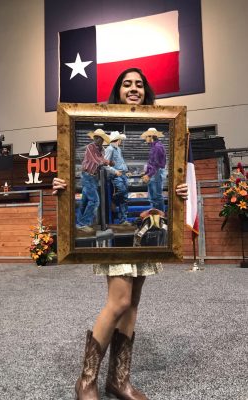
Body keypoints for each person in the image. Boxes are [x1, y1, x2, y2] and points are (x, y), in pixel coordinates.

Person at [53, 67, 188, 400]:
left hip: (135, 220)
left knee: (133, 304)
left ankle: (119, 379)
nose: (134, 88)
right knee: (119, 300)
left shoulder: (164, 131)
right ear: (118, 90)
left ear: (146, 91)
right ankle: (86, 380)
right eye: (127, 84)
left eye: (139, 84)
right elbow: (84, 168)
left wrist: (181, 190)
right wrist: (63, 183)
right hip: (114, 231)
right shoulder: (103, 136)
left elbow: (168, 170)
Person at [75, 129, 111, 233]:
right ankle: (83, 223)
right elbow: (96, 160)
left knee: (85, 201)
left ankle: (79, 223)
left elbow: (101, 161)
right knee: (95, 201)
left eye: (98, 137)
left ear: (102, 139)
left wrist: (106, 162)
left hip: (93, 177)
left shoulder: (103, 150)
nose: (95, 139)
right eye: (95, 137)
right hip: (87, 175)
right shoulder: (90, 147)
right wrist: (108, 162)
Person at [105, 131, 131, 225]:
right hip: (116, 175)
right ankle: (113, 202)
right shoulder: (110, 149)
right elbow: (105, 165)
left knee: (124, 197)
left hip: (122, 174)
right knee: (123, 192)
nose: (121, 141)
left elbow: (121, 161)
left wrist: (126, 171)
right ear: (118, 139)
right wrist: (115, 171)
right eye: (120, 139)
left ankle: (123, 220)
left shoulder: (118, 149)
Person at [141, 127, 166, 212]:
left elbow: (156, 164)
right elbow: (151, 163)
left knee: (156, 197)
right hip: (154, 173)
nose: (145, 138)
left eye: (147, 136)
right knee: (153, 197)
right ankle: (154, 216)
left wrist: (148, 175)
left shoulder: (157, 147)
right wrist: (146, 172)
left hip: (156, 173)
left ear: (151, 136)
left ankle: (160, 217)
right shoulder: (154, 147)